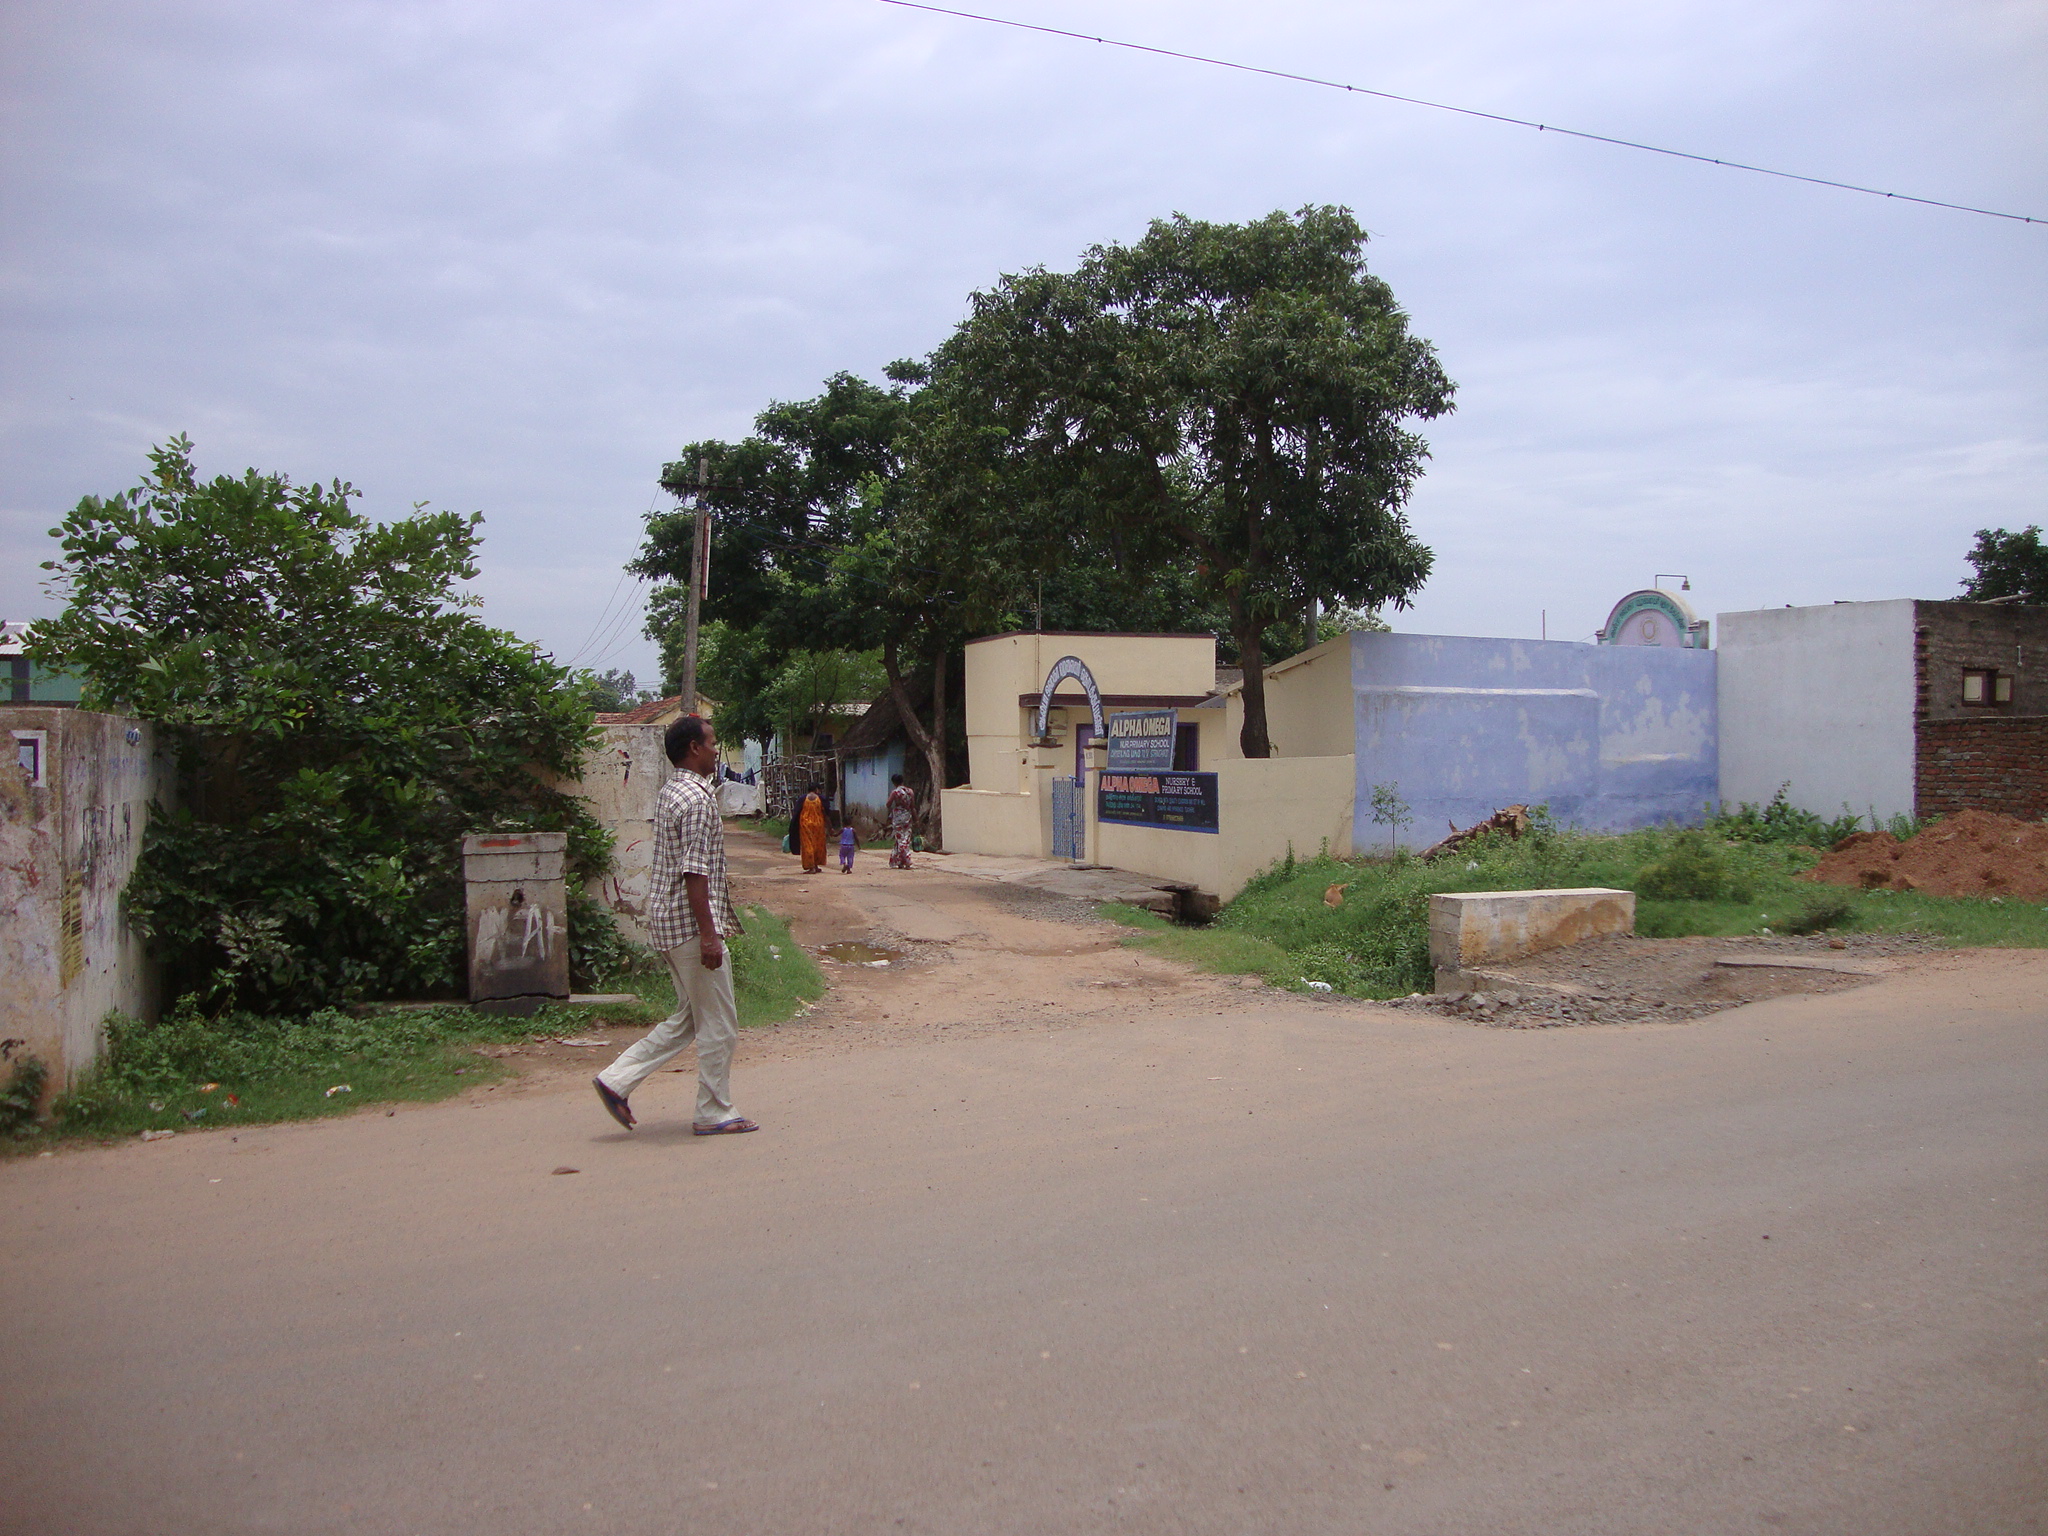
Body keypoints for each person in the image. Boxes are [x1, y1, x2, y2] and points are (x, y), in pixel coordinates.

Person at [592, 715, 758, 1137]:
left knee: (690, 1018)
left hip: (667, 922)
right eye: (713, 742)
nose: (717, 749)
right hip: (689, 926)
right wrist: (708, 934)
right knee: (719, 1022)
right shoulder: (698, 800)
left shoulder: (672, 791)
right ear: (693, 749)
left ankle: (616, 1079)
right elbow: (694, 873)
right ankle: (713, 1111)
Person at [886, 773, 916, 870]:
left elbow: (888, 804)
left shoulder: (895, 793)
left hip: (898, 817)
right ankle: (900, 861)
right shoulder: (910, 791)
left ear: (894, 782)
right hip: (907, 816)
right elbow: (913, 807)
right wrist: (916, 819)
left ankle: (906, 860)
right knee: (906, 837)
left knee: (899, 839)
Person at [797, 790, 827, 874]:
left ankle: (811, 867)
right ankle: (816, 865)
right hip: (818, 824)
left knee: (807, 845)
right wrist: (830, 826)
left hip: (805, 824)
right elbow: (825, 812)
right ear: (816, 789)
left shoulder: (803, 798)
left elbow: (797, 811)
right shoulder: (820, 799)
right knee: (818, 844)